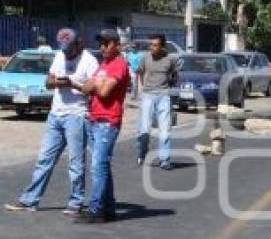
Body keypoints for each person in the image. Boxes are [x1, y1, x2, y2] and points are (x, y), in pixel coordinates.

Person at [5, 29, 99, 215]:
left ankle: (75, 202)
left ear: (77, 44)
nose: (65, 52)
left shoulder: (89, 61)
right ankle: (30, 201)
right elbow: (48, 82)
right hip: (55, 114)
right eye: (62, 48)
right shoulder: (59, 57)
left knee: (75, 163)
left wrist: (73, 85)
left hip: (76, 115)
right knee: (44, 160)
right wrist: (58, 83)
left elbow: (93, 90)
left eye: (68, 48)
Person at [75, 29, 130, 224]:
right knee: (103, 166)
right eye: (101, 44)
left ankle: (96, 209)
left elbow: (105, 91)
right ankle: (108, 208)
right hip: (95, 119)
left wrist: (97, 84)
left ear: (117, 45)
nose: (102, 48)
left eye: (106, 44)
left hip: (107, 122)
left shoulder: (119, 65)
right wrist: (97, 83)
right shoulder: (105, 64)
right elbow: (85, 87)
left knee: (98, 167)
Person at [136, 34, 177, 169]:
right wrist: (141, 89)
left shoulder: (169, 60)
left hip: (163, 95)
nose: (152, 48)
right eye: (151, 45)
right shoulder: (145, 59)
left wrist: (169, 88)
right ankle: (142, 152)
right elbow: (139, 73)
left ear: (162, 47)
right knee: (144, 129)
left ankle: (164, 159)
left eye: (155, 45)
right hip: (147, 95)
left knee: (165, 129)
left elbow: (174, 76)